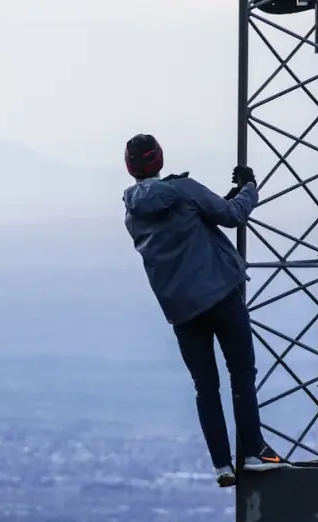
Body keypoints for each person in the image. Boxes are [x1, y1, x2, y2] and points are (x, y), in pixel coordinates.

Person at [121, 133, 288, 488]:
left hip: (182, 310)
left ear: (130, 167)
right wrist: (249, 188)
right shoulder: (184, 189)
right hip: (221, 294)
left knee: (205, 386)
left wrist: (222, 200)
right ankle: (254, 451)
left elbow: (186, 225)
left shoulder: (133, 215)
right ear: (159, 158)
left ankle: (222, 464)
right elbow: (232, 216)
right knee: (241, 371)